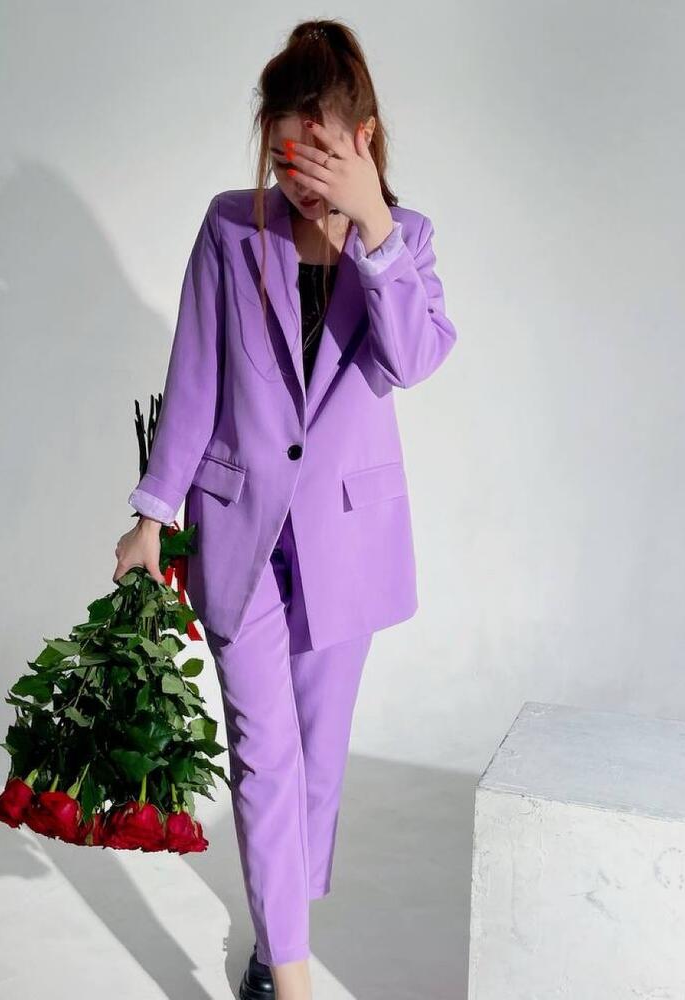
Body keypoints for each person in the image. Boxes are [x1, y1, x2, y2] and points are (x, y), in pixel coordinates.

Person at [113, 18, 457, 1000]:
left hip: (345, 540)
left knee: (314, 762)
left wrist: (372, 227)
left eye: (315, 156)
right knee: (264, 755)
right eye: (279, 156)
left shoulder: (406, 239)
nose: (293, 177)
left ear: (363, 139)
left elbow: (413, 359)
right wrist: (152, 512)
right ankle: (292, 979)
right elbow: (194, 377)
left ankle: (276, 935)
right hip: (239, 531)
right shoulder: (231, 229)